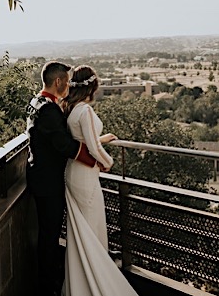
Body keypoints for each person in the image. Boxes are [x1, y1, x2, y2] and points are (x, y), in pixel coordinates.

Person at [27, 61, 101, 296]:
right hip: (48, 182)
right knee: (49, 237)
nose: (69, 85)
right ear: (58, 81)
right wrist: (93, 159)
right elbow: (63, 144)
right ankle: (49, 287)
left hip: (40, 177)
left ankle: (52, 281)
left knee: (49, 234)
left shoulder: (37, 102)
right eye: (67, 81)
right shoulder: (48, 109)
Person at [59, 66, 134, 296]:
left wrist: (101, 139)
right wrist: (108, 162)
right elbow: (93, 147)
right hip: (85, 177)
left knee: (81, 231)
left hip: (72, 174)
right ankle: (97, 285)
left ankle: (81, 283)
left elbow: (83, 139)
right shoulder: (86, 112)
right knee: (93, 229)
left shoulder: (71, 110)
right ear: (92, 87)